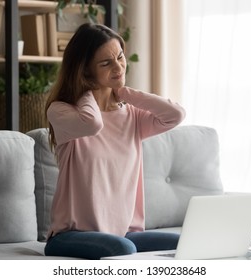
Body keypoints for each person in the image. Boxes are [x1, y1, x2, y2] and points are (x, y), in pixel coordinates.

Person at [44, 23, 185, 260]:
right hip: (70, 236)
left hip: (124, 235)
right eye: (106, 63)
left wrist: (124, 92)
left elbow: (175, 115)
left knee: (187, 243)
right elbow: (92, 124)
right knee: (123, 250)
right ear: (86, 71)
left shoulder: (132, 116)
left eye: (120, 57)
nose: (118, 67)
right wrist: (89, 91)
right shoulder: (62, 111)